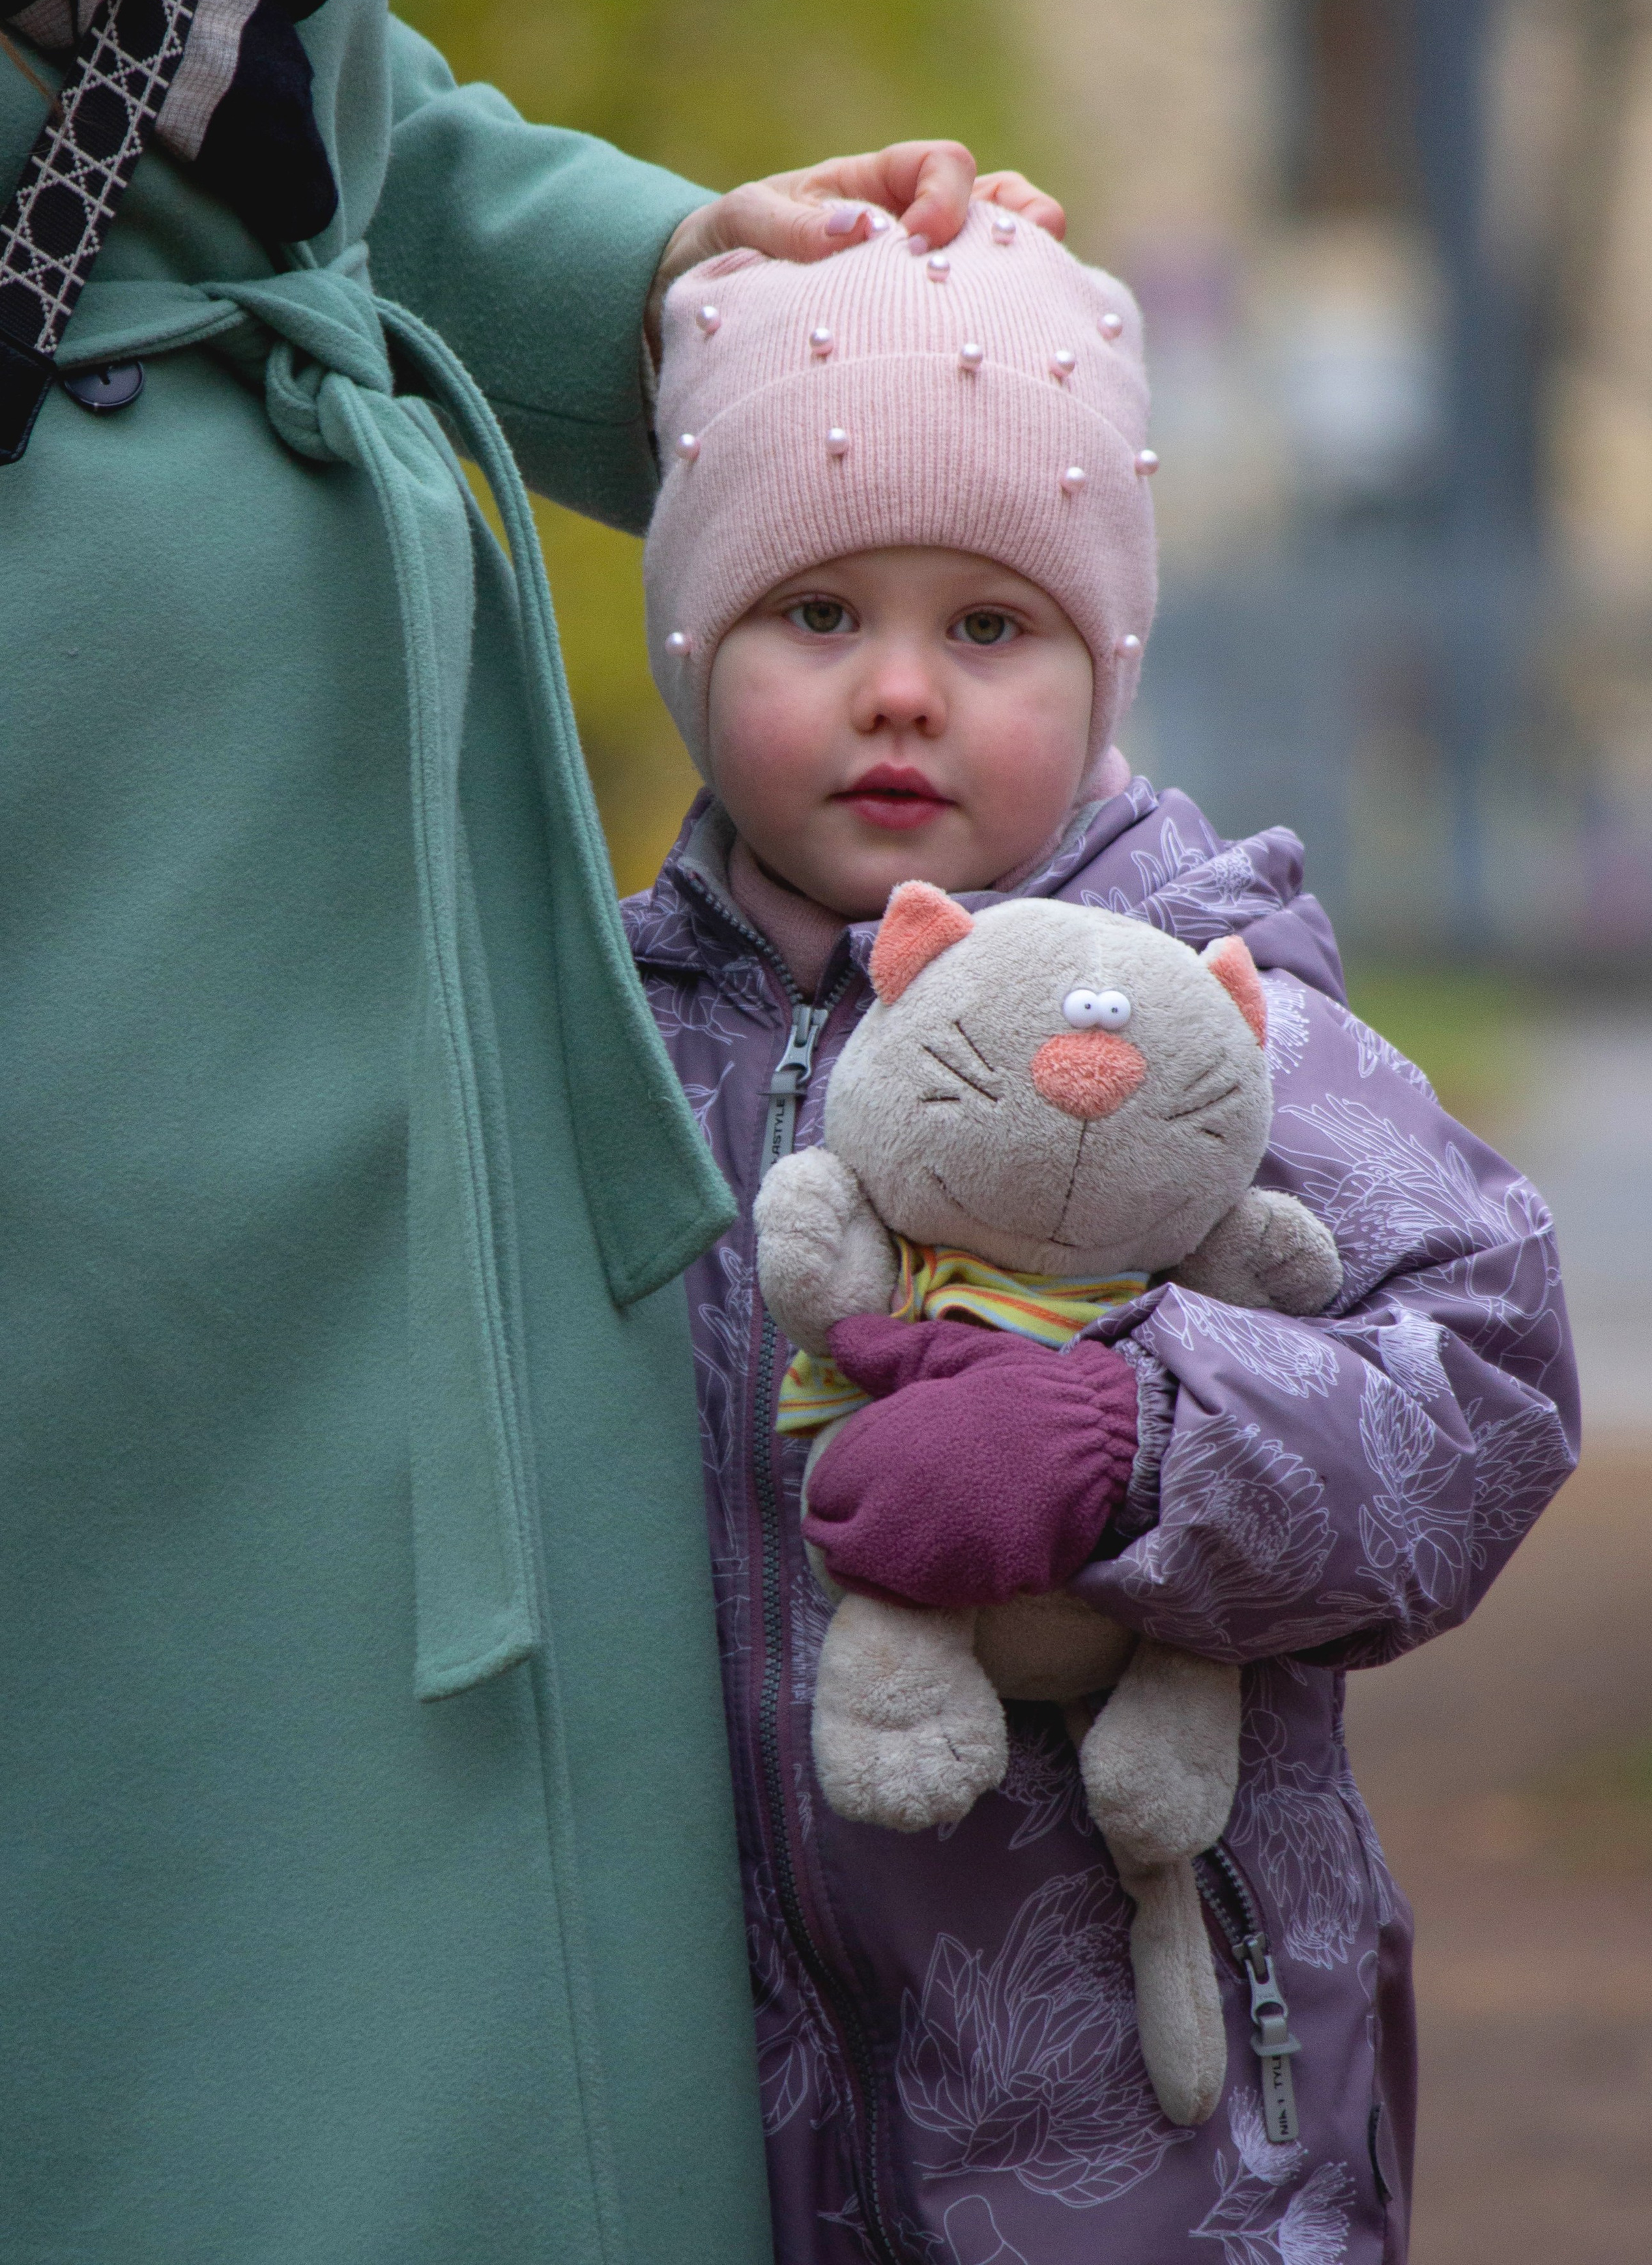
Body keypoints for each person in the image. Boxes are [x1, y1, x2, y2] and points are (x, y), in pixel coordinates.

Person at [0, 0, 1060, 2257]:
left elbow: (274, 87)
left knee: (402, 1913)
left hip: (351, 857)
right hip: (74, 836)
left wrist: (681, 271)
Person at [625, 206, 1580, 2264]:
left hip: (1161, 2129)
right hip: (716, 2116)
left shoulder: (1209, 1010)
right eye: (812, 612)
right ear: (696, 650)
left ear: (1099, 662)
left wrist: (1134, 1444)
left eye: (988, 627)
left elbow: (1488, 1374)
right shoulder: (601, 1041)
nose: (898, 690)